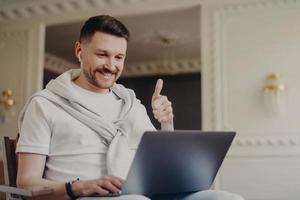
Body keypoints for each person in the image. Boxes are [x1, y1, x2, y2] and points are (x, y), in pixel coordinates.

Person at [16, 15, 243, 200]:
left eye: (119, 57)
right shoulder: (45, 105)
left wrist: (166, 122)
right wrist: (82, 187)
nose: (111, 66)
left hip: (142, 193)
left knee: (226, 199)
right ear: (79, 51)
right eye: (102, 54)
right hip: (83, 197)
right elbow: (26, 184)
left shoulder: (131, 104)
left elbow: (162, 166)